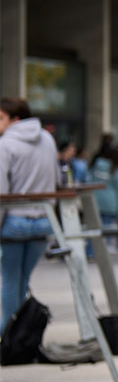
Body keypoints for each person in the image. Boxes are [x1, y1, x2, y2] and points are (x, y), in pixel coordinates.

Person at [0, 96, 58, 333]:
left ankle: (8, 336)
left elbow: (1, 190)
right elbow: (56, 178)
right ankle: (21, 335)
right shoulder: (47, 138)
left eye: (1, 118)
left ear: (15, 119)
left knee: (10, 280)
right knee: (22, 280)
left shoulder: (5, 143)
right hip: (44, 220)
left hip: (15, 220)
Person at [88, 142, 118, 254]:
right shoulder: (115, 170)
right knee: (106, 232)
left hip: (94, 201)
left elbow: (88, 181)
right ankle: (101, 254)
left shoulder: (96, 165)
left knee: (93, 229)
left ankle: (90, 252)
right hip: (110, 204)